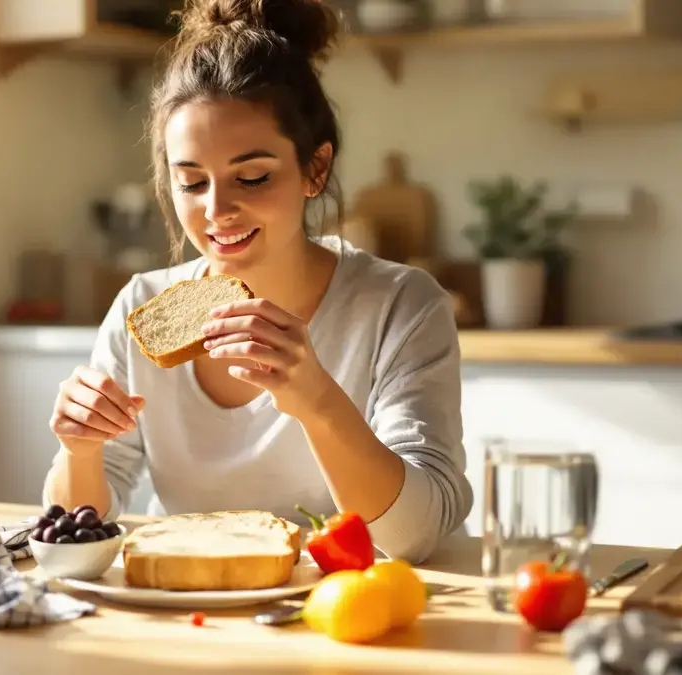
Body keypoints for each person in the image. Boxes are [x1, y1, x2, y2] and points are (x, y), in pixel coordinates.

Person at [42, 0, 473, 564]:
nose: (218, 209)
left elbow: (413, 538)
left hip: (366, 613)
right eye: (192, 183)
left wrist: (318, 401)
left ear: (314, 170)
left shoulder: (398, 305)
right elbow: (80, 525)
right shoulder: (142, 307)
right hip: (206, 617)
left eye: (252, 177)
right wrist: (80, 451)